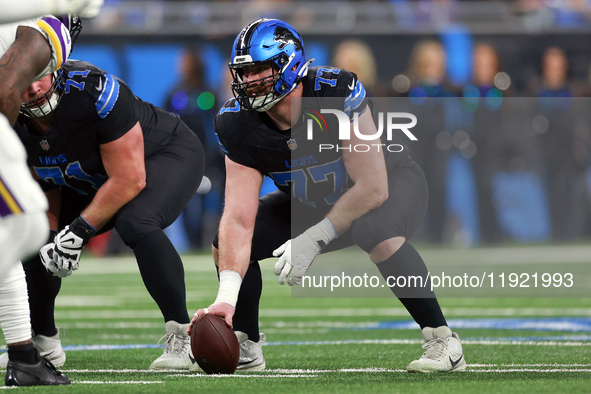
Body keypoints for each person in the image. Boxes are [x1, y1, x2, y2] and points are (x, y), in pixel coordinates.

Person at [190, 18, 465, 373]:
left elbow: (372, 187)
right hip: (313, 200)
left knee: (374, 232)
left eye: (259, 70)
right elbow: (239, 217)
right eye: (244, 72)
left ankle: (442, 339)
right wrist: (225, 300)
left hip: (390, 185)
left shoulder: (334, 92)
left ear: (288, 65)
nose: (249, 82)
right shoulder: (236, 122)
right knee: (223, 242)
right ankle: (245, 340)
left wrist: (315, 237)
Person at [10, 58, 205, 371]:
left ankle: (183, 336)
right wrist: (49, 240)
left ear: (55, 71)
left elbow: (130, 178)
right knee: (32, 237)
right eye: (23, 79)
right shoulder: (8, 118)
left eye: (41, 76)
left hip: (161, 155)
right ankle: (43, 341)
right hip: (88, 180)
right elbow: (43, 185)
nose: (33, 87)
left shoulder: (93, 91)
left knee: (135, 221)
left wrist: (78, 231)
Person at [0, 10, 88, 386]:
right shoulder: (45, 25)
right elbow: (6, 88)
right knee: (26, 224)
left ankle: (23, 356)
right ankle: (23, 357)